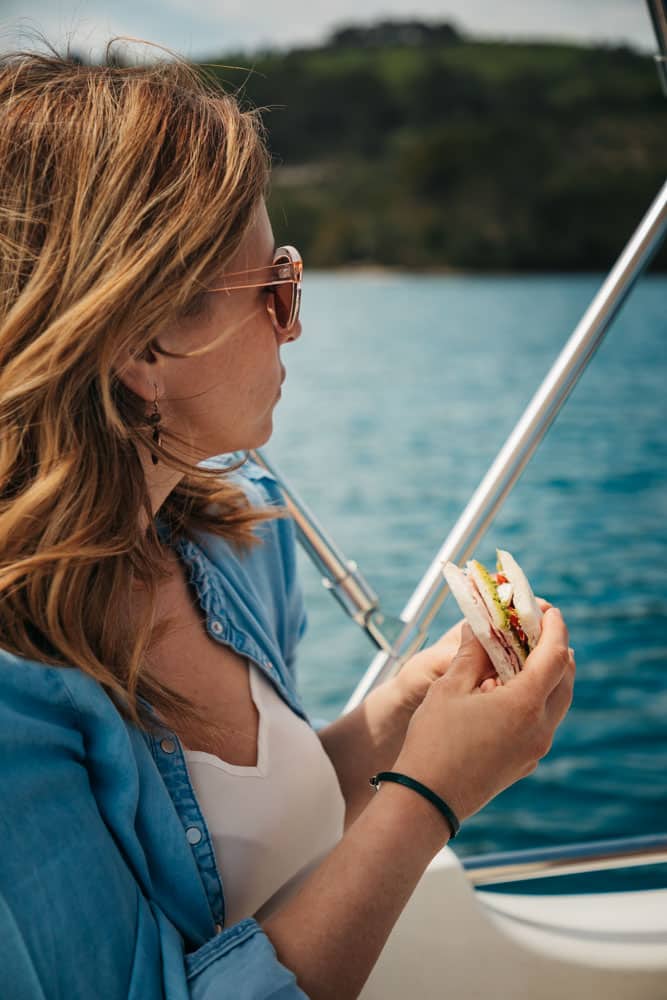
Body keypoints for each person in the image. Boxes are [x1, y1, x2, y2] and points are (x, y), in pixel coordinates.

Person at [0, 45, 575, 1000]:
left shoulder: (237, 540)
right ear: (141, 342)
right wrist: (432, 795)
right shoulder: (17, 692)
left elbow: (256, 831)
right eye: (273, 286)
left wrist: (397, 725)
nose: (294, 320)